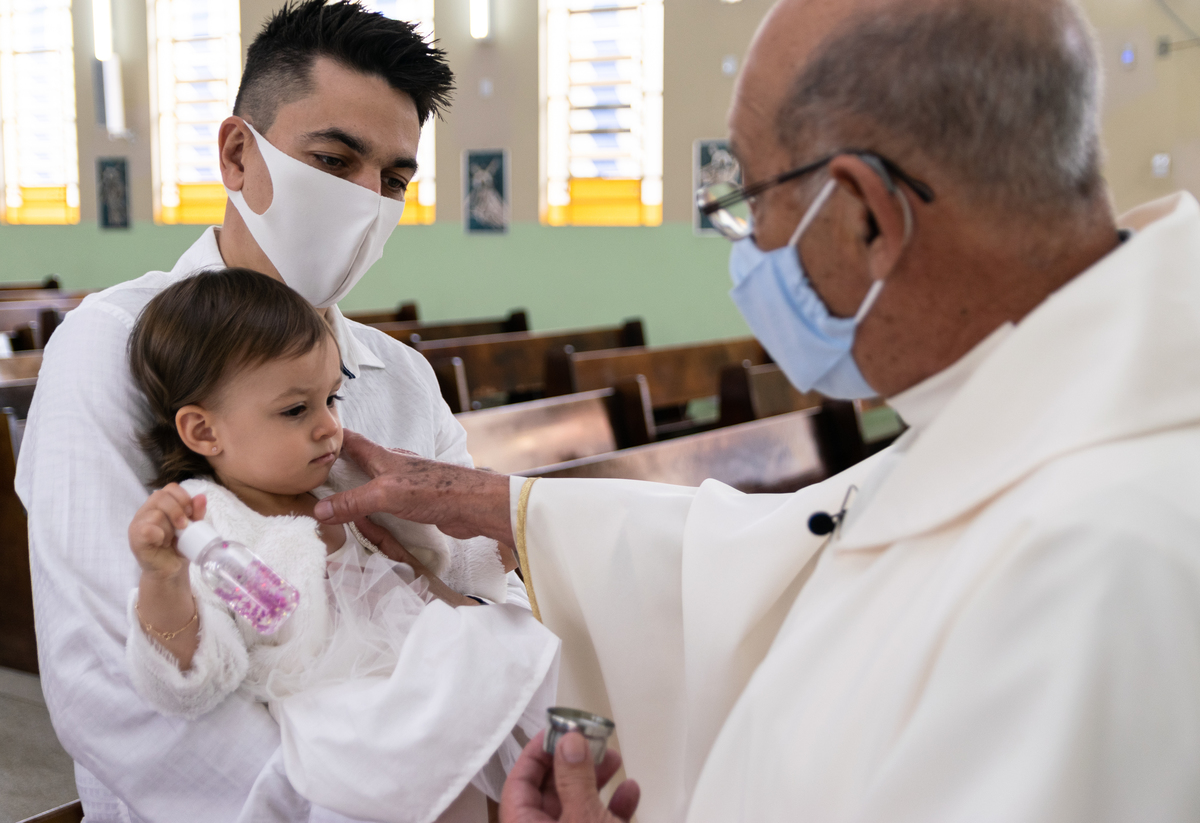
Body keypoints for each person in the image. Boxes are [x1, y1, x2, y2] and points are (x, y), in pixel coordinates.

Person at [315, 0, 1200, 820]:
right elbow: (793, 553)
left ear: (864, 216)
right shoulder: (1056, 409)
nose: (752, 243)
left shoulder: (1100, 568)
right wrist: (499, 504)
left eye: (753, 200)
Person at [16, 3, 546, 820]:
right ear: (238, 153)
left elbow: (484, 599)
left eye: (395, 179)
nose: (368, 199)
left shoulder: (402, 376)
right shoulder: (110, 345)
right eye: (335, 159)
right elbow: (112, 690)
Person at [123, 269, 557, 823]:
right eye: (296, 410)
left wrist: (498, 540)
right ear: (205, 432)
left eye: (331, 398)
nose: (329, 427)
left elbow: (432, 556)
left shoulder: (344, 484)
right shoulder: (208, 521)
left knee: (525, 659)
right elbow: (195, 677)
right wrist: (162, 579)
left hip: (418, 666)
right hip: (339, 700)